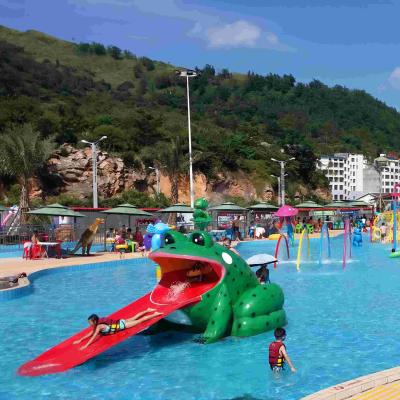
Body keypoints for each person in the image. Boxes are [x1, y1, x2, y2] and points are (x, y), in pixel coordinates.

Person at [74, 308, 163, 350]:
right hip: (119, 322)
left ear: (94, 321)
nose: (89, 324)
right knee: (135, 317)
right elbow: (90, 334)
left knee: (139, 320)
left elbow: (93, 336)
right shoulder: (98, 325)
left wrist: (85, 346)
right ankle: (148, 310)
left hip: (122, 325)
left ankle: (156, 314)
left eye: (90, 322)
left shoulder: (98, 327)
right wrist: (80, 340)